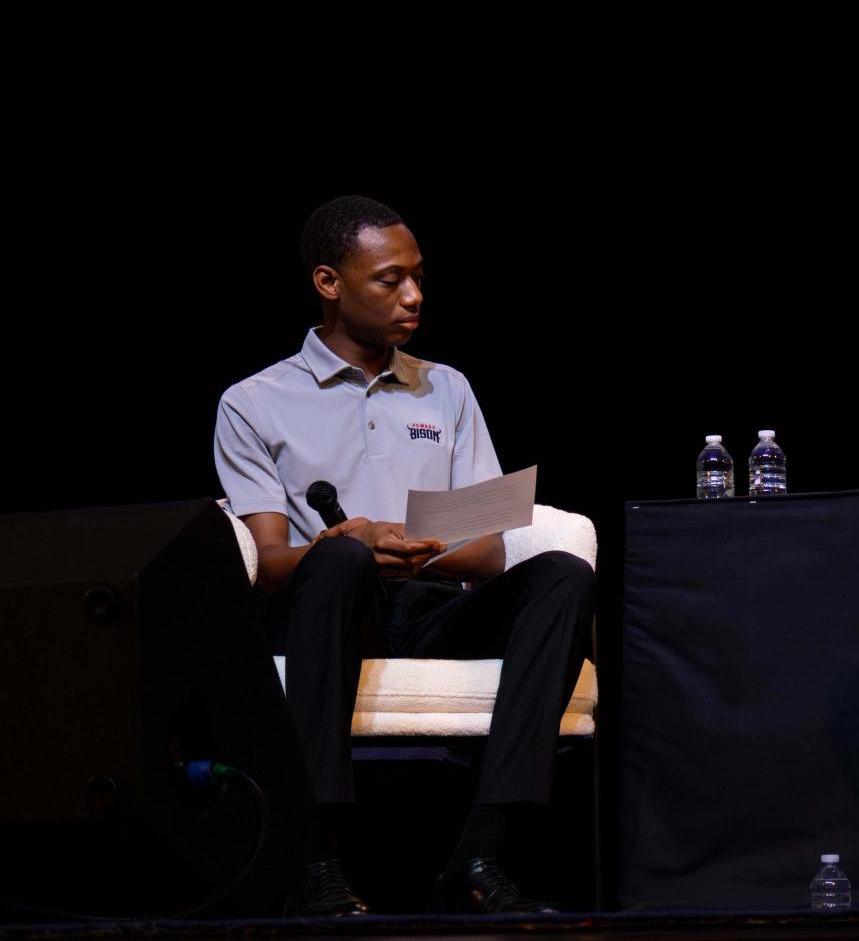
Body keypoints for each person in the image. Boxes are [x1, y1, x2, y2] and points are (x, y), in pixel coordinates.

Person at [214, 196, 595, 916]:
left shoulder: (446, 388)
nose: (414, 295)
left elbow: (484, 551)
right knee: (338, 561)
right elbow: (267, 562)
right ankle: (315, 856)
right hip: (332, 610)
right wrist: (345, 540)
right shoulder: (254, 402)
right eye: (390, 279)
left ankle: (482, 851)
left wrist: (408, 545)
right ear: (329, 283)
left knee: (564, 576)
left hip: (430, 606)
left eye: (418, 276)